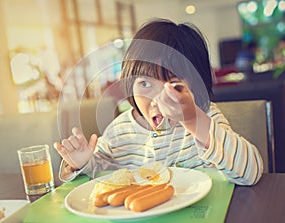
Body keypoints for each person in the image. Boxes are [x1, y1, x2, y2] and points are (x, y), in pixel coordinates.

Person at [54, 18, 263, 186]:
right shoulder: (120, 131)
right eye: (145, 83)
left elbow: (250, 173)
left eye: (173, 84)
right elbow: (98, 174)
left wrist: (193, 120)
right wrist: (80, 164)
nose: (158, 99)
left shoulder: (206, 117)